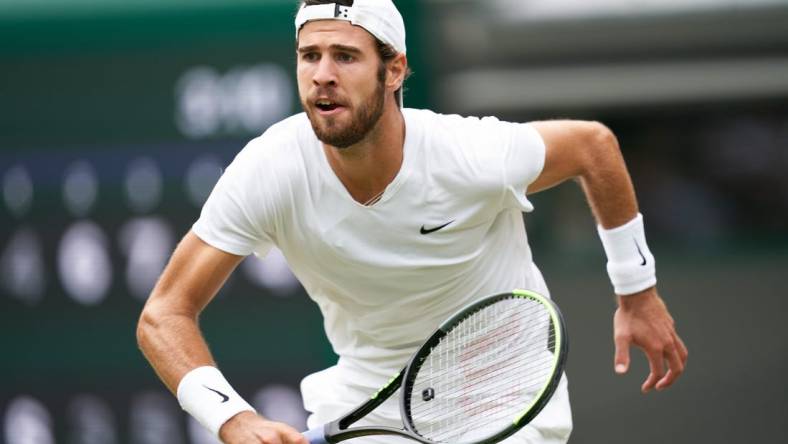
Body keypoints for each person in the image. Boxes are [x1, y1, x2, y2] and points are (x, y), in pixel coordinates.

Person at [136, 1, 688, 443]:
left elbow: (594, 146)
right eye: (310, 56)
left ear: (394, 69)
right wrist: (232, 418)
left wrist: (636, 293)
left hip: (502, 395)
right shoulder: (270, 169)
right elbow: (164, 314)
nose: (323, 76)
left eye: (346, 58)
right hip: (366, 402)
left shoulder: (467, 153)